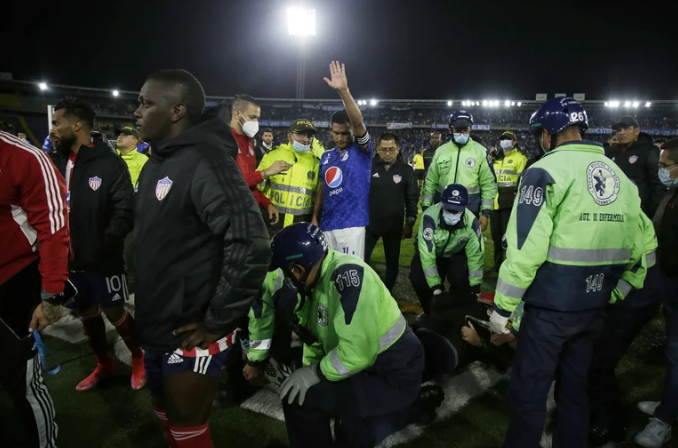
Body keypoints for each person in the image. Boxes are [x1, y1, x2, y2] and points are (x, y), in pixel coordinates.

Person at [489, 98, 647, 448]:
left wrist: (503, 308)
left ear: (548, 133)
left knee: (529, 397)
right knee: (574, 394)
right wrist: (615, 291)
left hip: (550, 308)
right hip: (594, 307)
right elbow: (641, 249)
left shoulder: (546, 170)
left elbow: (525, 248)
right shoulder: (618, 174)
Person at [133, 69, 271, 448]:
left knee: (187, 425)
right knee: (166, 414)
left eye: (146, 103)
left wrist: (218, 320)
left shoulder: (207, 161)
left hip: (191, 330)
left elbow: (251, 241)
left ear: (177, 110)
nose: (136, 111)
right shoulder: (155, 163)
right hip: (159, 319)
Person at [269, 223, 425, 448]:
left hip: (393, 373)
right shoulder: (317, 278)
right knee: (312, 399)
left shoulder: (347, 277)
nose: (286, 278)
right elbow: (316, 339)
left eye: (286, 270)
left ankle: (412, 405)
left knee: (346, 432)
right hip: (370, 367)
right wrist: (308, 369)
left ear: (298, 269)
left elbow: (358, 352)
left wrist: (314, 373)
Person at [48, 97, 145, 392]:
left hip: (102, 258)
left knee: (114, 310)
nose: (52, 130)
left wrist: (104, 246)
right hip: (69, 259)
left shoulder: (108, 162)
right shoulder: (56, 161)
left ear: (76, 126)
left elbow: (124, 211)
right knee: (85, 311)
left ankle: (139, 358)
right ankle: (104, 363)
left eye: (56, 123)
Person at [0, 130, 69, 448]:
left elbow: (55, 228)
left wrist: (53, 294)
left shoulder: (25, 157)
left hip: (10, 286)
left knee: (23, 385)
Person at [587, 211, 663, 446]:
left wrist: (609, 296)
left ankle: (612, 424)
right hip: (639, 291)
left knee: (599, 362)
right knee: (598, 358)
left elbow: (635, 265)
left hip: (636, 295)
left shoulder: (618, 205)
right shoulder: (618, 197)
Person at [634, 138, 678, 448]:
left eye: (665, 166)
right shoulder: (673, 193)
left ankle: (666, 419)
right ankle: (669, 404)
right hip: (670, 277)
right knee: (673, 352)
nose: (660, 171)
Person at [312, 61, 372, 259]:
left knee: (349, 276)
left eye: (345, 133)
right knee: (326, 275)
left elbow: (357, 121)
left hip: (351, 225)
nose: (341, 137)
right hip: (327, 224)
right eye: (336, 133)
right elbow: (323, 189)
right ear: (331, 131)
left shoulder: (362, 151)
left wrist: (343, 91)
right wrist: (315, 218)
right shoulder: (326, 156)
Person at [409, 184, 484, 316]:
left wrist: (475, 286)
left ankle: (454, 314)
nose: (452, 214)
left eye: (456, 211)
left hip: (455, 254)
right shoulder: (429, 217)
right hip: (432, 254)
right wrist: (436, 287)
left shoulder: (472, 222)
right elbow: (427, 253)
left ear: (464, 209)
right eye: (449, 209)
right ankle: (429, 312)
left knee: (461, 282)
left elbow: (475, 255)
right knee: (418, 279)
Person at [421, 110, 497, 233]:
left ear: (470, 130)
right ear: (450, 130)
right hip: (443, 209)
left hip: (470, 210)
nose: (462, 133)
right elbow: (431, 181)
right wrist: (426, 206)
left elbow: (488, 183)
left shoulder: (481, 152)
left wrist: (486, 213)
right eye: (458, 129)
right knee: (442, 246)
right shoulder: (440, 152)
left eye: (465, 129)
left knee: (468, 248)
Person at [365, 133, 419, 292]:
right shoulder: (369, 166)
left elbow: (412, 198)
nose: (387, 153)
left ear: (398, 149)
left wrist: (409, 222)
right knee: (361, 260)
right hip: (369, 225)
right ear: (378, 149)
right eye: (383, 149)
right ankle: (364, 291)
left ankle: (387, 293)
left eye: (391, 149)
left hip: (394, 227)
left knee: (392, 263)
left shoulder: (406, 170)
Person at [230, 94, 291, 228]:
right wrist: (266, 172)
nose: (256, 122)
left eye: (257, 118)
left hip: (250, 211)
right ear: (236, 115)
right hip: (233, 215)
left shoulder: (249, 145)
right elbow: (232, 183)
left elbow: (251, 185)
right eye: (252, 117)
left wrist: (267, 203)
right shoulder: (226, 142)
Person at [257, 120, 321, 232]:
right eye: (300, 134)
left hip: (302, 225)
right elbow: (257, 188)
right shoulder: (273, 155)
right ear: (289, 135)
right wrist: (267, 206)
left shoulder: (316, 163)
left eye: (309, 136)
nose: (305, 139)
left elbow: (319, 199)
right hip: (272, 221)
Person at [608, 115, 664, 218]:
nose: (621, 132)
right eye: (618, 130)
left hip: (639, 211)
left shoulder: (647, 151)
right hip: (614, 210)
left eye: (626, 128)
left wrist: (653, 213)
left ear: (637, 131)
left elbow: (656, 184)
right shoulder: (610, 153)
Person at [115, 126, 148, 295]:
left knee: (129, 251)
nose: (120, 137)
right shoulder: (111, 159)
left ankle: (132, 285)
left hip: (132, 215)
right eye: (119, 134)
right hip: (111, 214)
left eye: (125, 135)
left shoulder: (143, 160)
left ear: (135, 140)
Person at [489, 131, 527, 273]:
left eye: (508, 139)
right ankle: (497, 265)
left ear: (514, 142)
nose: (505, 141)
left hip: (509, 204)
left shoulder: (520, 158)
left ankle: (509, 266)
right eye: (502, 139)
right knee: (496, 236)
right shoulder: (495, 159)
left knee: (508, 238)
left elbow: (522, 181)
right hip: (495, 203)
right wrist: (490, 158)